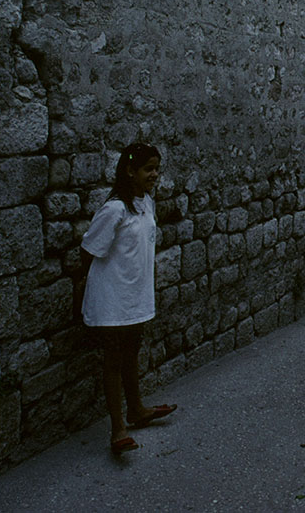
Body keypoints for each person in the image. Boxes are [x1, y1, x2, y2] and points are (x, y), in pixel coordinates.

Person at [81, 142, 177, 455]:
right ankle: (118, 429)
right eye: (148, 169)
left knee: (132, 353)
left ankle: (136, 410)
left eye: (156, 168)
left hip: (136, 296)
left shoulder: (146, 203)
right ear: (129, 171)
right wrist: (111, 285)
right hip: (112, 300)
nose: (154, 175)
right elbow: (89, 251)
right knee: (113, 360)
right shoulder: (114, 209)